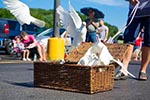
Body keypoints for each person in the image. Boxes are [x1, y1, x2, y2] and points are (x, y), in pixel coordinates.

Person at [115, 0, 150, 80]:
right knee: (128, 39)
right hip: (135, 12)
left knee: (148, 41)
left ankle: (143, 71)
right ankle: (123, 69)